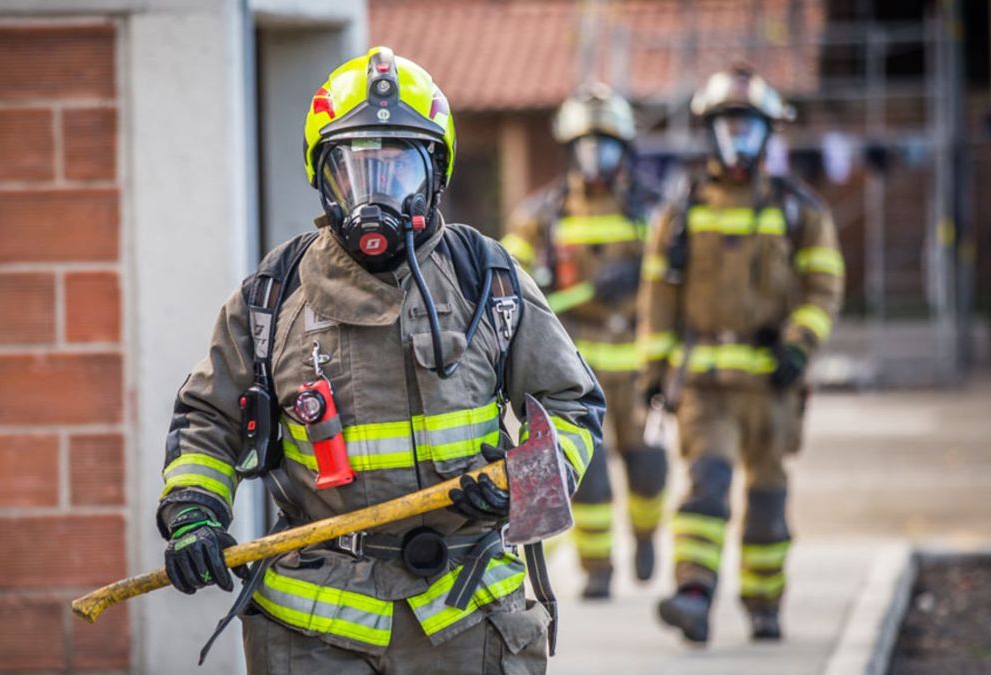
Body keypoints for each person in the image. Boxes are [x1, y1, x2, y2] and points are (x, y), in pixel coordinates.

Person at [157, 46, 605, 674]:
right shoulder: (273, 295)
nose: (377, 197)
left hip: (464, 607)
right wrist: (193, 516)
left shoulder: (488, 279)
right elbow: (207, 420)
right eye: (357, 172)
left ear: (436, 175)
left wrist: (517, 487)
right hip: (312, 622)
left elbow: (571, 406)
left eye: (398, 172)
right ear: (324, 177)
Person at [639, 65, 844, 643]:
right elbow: (658, 297)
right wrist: (654, 372)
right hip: (707, 385)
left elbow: (825, 288)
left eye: (749, 129)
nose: (739, 140)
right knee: (706, 483)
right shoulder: (681, 213)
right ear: (712, 133)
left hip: (774, 389)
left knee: (767, 501)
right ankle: (694, 596)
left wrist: (800, 346)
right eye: (729, 127)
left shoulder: (799, 211)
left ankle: (764, 603)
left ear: (767, 135)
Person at [501, 84, 666, 599]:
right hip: (578, 366)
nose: (596, 157)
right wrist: (547, 284)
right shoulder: (542, 215)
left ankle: (644, 534)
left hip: (639, 367)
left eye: (607, 144)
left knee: (648, 470)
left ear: (624, 148)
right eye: (586, 145)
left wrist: (642, 277)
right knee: (589, 473)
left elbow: (677, 278)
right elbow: (506, 277)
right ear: (570, 150)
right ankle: (598, 570)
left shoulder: (650, 211)